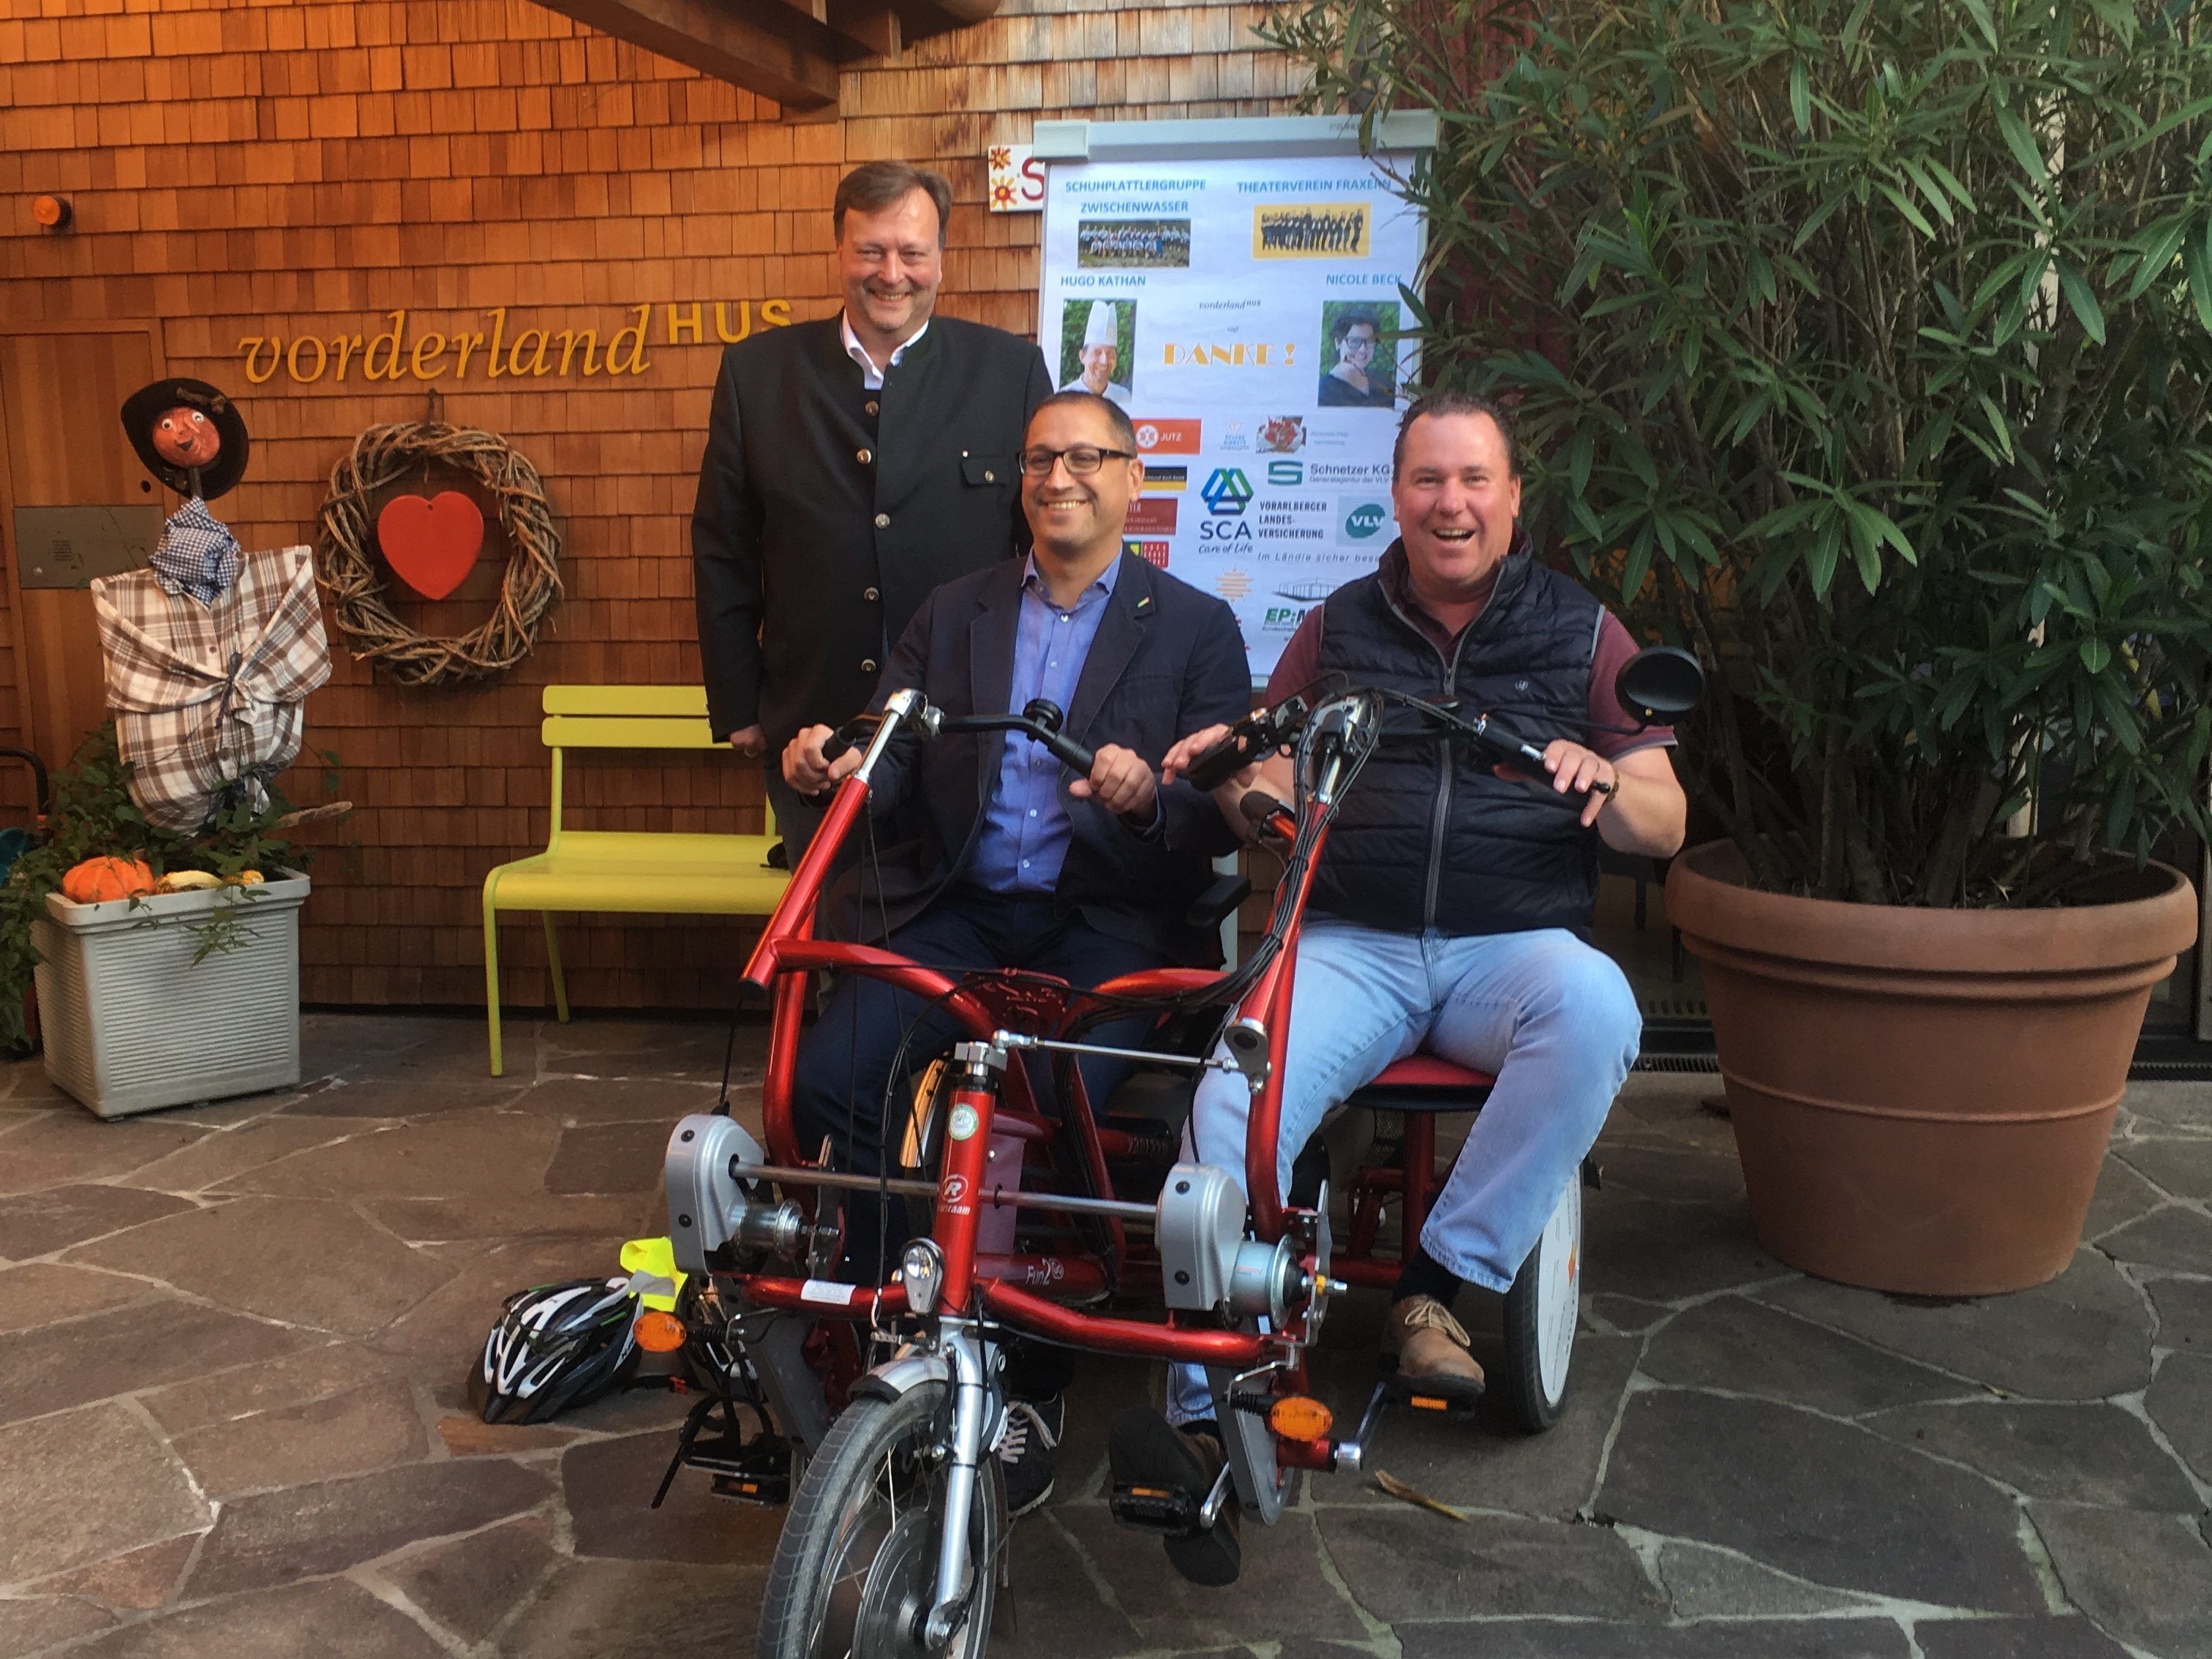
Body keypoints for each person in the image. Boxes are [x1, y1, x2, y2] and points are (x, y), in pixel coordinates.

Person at [1118, 391, 1689, 1587]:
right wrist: (1239, 783)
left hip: (1510, 944)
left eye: (1474, 479)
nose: (1451, 503)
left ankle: (1432, 1289)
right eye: (1428, 479)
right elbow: (1267, 772)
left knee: (1598, 1008)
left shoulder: (1583, 630)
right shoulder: (1336, 625)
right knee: (1230, 1096)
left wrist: (1605, 782)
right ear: (1395, 495)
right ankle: (1202, 1396)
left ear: (1513, 497)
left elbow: (1664, 821)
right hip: (1351, 937)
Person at [780, 390, 1253, 1517]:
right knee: (829, 1080)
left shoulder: (1195, 627)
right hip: (957, 911)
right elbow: (890, 752)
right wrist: (835, 763)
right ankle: (904, 1303)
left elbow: (1219, 811)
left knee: (1039, 1113)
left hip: (1107, 925)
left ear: (1133, 478)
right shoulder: (957, 612)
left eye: (1087, 457)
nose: (1059, 478)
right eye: (1041, 459)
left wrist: (1148, 802)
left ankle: (1031, 1372)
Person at [693, 161, 1054, 860]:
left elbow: (1042, 551)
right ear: (839, 252)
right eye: (871, 251)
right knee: (833, 918)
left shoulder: (1010, 373)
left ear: (941, 259)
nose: (893, 273)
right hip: (815, 735)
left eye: (912, 253)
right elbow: (723, 550)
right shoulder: (756, 375)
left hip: (971, 730)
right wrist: (738, 706)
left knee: (966, 921)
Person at [1316, 306, 1394, 408]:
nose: (1363, 349)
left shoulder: (1382, 382)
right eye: (1354, 341)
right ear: (1338, 343)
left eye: (1370, 341)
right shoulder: (1322, 391)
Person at [1061, 300, 1132, 407]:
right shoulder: (1064, 398)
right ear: (1082, 356)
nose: (1104, 361)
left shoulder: (1124, 397)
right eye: (1097, 353)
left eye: (1109, 353)